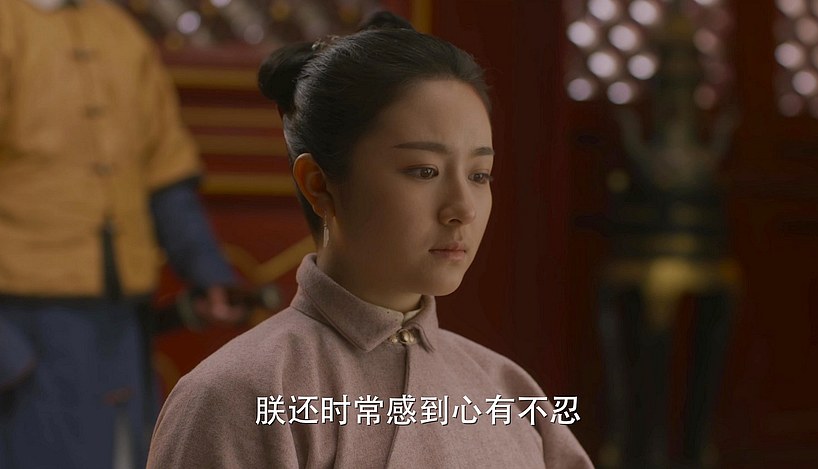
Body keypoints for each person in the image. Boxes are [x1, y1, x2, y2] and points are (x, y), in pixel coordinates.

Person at [147, 12, 593, 468]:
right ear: (319, 184)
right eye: (424, 171)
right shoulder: (240, 396)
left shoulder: (508, 393)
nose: (464, 208)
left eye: (480, 175)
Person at [0, 0, 243, 468]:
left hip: (120, 319)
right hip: (21, 322)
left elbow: (165, 172)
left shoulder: (120, 33)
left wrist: (206, 270)